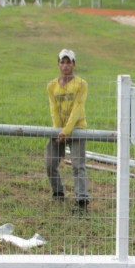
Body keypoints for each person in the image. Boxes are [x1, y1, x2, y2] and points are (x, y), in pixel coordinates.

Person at [45, 49, 89, 211]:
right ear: (58, 64)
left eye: (68, 62)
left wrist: (67, 131)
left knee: (78, 165)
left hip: (77, 129)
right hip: (58, 130)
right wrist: (59, 131)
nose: (65, 65)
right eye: (62, 62)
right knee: (50, 163)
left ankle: (82, 200)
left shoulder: (81, 84)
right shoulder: (51, 86)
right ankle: (58, 193)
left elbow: (78, 108)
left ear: (74, 65)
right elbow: (54, 110)